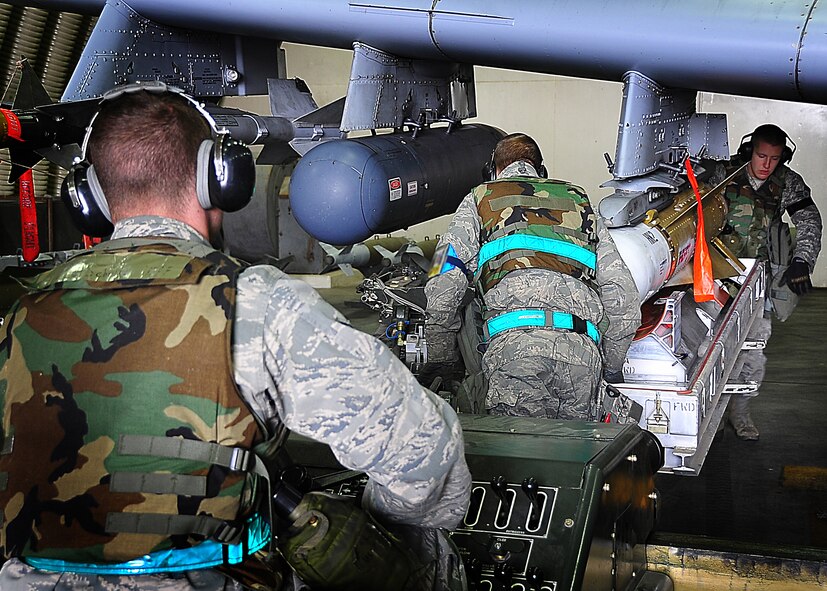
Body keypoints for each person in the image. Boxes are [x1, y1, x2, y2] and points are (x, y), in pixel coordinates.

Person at [0, 83, 471, 590]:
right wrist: (376, 520)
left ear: (89, 198)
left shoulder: (20, 312)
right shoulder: (255, 302)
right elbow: (424, 450)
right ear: (218, 181)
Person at [425, 133, 640, 419]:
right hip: (581, 357)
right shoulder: (580, 201)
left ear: (493, 170)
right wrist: (610, 367)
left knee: (522, 459)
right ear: (542, 170)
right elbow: (623, 297)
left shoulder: (479, 198)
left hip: (515, 357)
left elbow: (442, 278)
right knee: (575, 459)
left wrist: (442, 358)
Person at [713, 123, 822, 440]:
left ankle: (741, 413)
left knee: (754, 346)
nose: (766, 165)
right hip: (722, 272)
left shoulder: (787, 182)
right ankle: (715, 410)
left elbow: (809, 219)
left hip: (760, 277)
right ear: (750, 151)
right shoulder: (725, 175)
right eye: (761, 156)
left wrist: (803, 260)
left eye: (774, 158)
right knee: (711, 347)